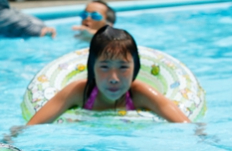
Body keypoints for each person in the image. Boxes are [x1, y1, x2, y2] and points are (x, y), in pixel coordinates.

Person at [27, 26, 190, 125]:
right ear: (92, 68)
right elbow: (32, 127)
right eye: (104, 67)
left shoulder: (139, 94)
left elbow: (186, 126)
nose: (114, 77)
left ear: (136, 68)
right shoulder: (79, 92)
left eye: (123, 67)